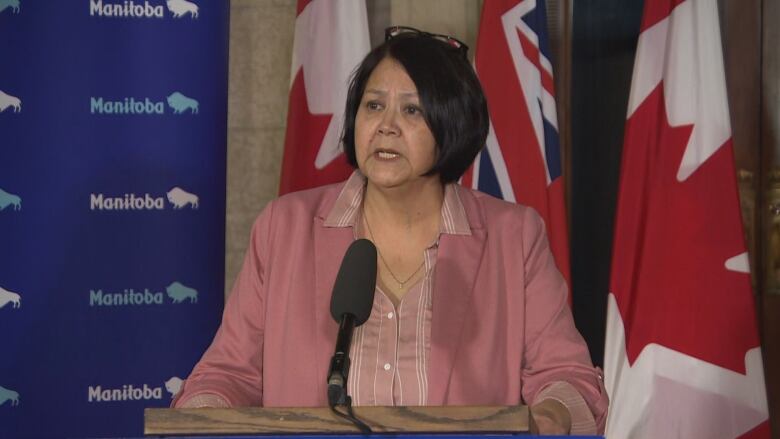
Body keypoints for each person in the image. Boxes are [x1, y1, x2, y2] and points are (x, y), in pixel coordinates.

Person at [173, 26, 609, 435]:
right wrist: (203, 414)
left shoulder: (514, 238)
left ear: (452, 123)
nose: (386, 125)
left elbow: (565, 377)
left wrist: (546, 419)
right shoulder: (284, 228)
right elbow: (229, 373)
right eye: (374, 105)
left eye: (413, 110)